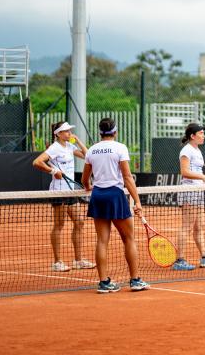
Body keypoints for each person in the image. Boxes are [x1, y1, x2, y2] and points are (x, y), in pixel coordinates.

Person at [81, 117, 149, 293]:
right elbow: (127, 177)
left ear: (100, 132)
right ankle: (135, 280)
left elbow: (84, 179)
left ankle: (104, 282)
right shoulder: (120, 148)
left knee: (102, 241)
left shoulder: (92, 150)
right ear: (115, 132)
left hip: (97, 196)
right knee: (129, 238)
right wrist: (138, 201)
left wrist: (88, 187)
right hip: (115, 195)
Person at [32, 121, 94, 272]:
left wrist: (77, 140)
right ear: (58, 134)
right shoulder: (54, 148)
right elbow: (37, 162)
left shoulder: (70, 147)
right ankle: (57, 262)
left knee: (79, 222)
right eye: (66, 131)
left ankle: (78, 260)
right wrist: (53, 171)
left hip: (70, 191)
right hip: (58, 192)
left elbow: (88, 156)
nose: (69, 133)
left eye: (69, 131)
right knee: (59, 225)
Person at [172, 122, 205, 271]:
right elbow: (185, 172)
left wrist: (202, 182)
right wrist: (203, 177)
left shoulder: (197, 150)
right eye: (201, 133)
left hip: (198, 191)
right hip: (189, 191)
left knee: (200, 226)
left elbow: (195, 171)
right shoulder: (186, 151)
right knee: (187, 226)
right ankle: (179, 260)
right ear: (192, 136)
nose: (203, 136)